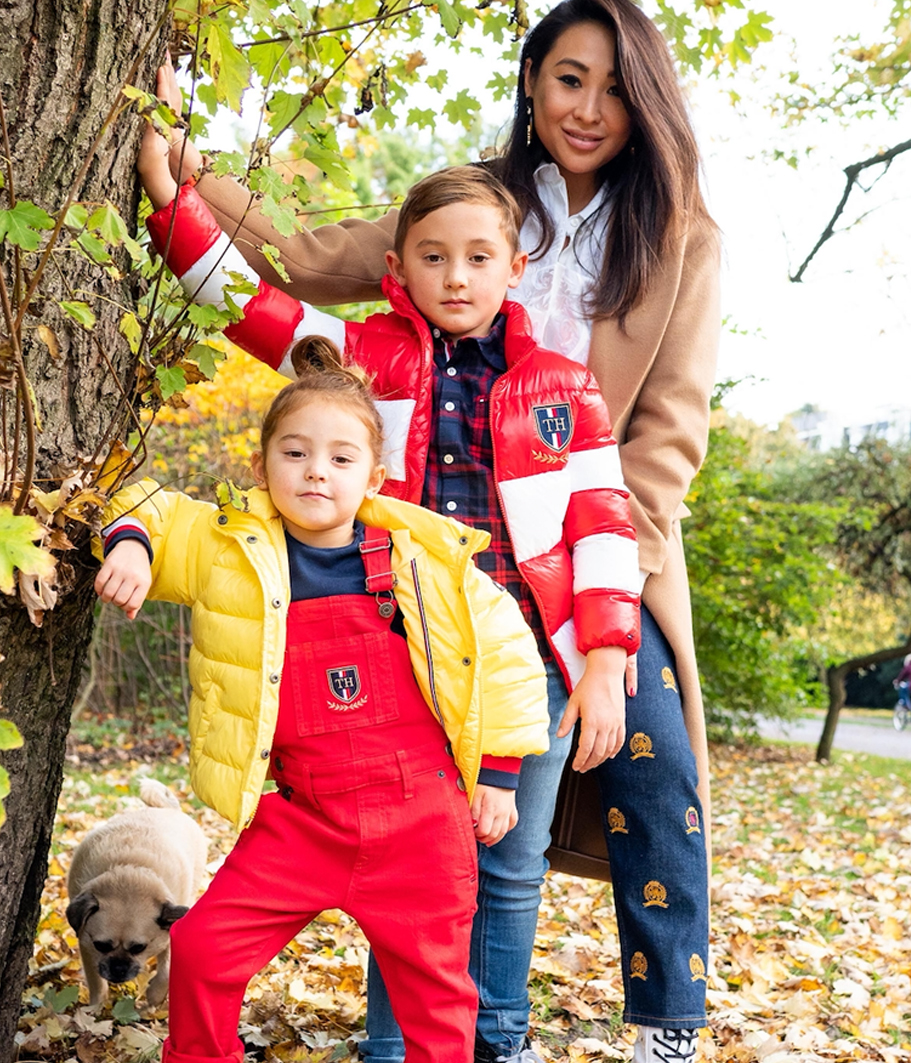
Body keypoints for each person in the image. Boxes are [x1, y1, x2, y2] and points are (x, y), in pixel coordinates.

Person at [144, 4, 718, 1052]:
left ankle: (664, 1018)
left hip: (583, 561)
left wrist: (603, 633)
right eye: (568, 80)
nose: (589, 109)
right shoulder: (451, 239)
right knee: (420, 841)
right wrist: (183, 180)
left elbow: (658, 444)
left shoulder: (671, 243)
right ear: (533, 81)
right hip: (419, 611)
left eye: (616, 87)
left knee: (653, 764)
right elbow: (291, 277)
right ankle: (407, 1036)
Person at [91, 347, 551, 1063]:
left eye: (340, 458)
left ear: (373, 476)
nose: (315, 470)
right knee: (205, 949)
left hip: (420, 822)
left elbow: (508, 655)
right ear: (262, 465)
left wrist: (498, 769)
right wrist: (132, 545)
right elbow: (143, 501)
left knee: (436, 1001)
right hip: (303, 815)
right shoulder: (230, 551)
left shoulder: (422, 559)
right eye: (295, 451)